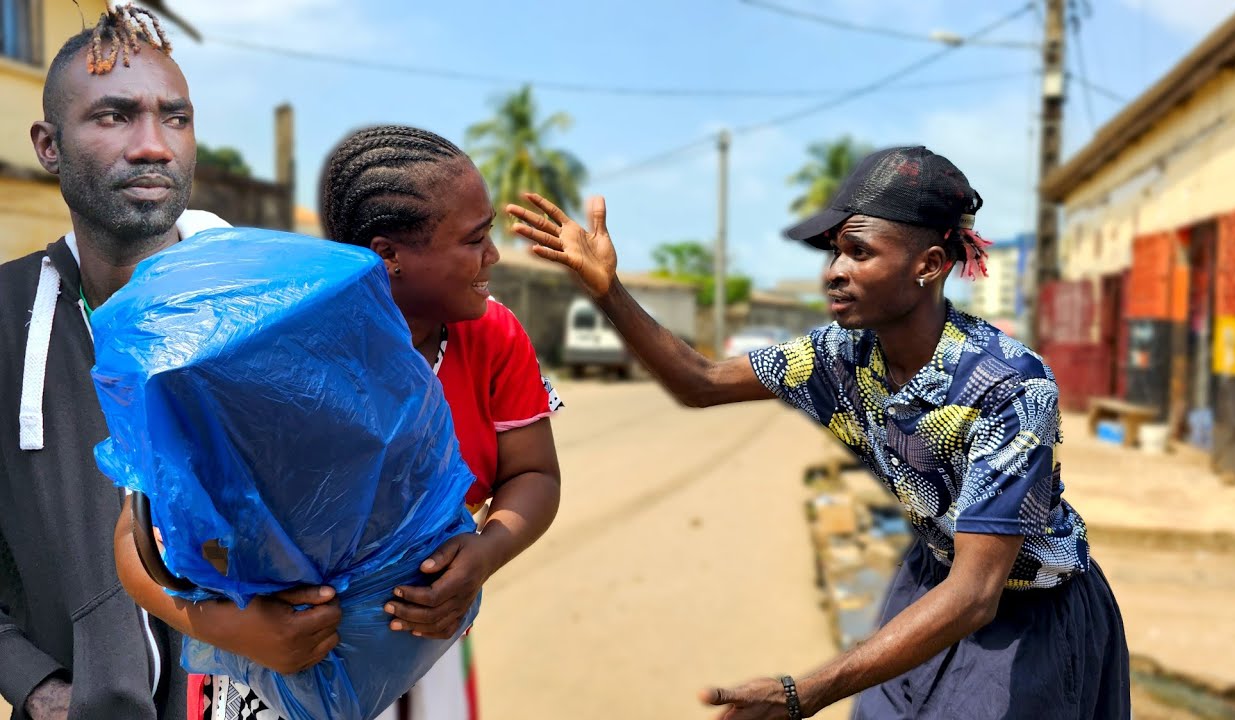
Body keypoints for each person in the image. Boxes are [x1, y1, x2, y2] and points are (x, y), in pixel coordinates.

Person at [508, 146, 1130, 719]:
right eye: (833, 252)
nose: (834, 271)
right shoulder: (840, 354)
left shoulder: (1006, 385)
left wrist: (804, 692)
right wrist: (609, 290)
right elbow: (699, 380)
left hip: (1024, 614)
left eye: (858, 252)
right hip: (931, 581)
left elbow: (976, 594)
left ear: (929, 265)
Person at [120, 124, 564, 720]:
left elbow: (534, 472)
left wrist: (484, 552)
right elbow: (133, 541)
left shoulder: (491, 334)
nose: (494, 256)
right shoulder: (275, 348)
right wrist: (238, 627)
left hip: (424, 660)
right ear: (389, 256)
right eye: (474, 239)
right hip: (274, 678)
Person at [0, 8, 339, 720]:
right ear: (48, 145)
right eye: (115, 116)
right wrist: (32, 683)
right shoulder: (4, 315)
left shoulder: (268, 307)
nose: (152, 145)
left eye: (174, 118)